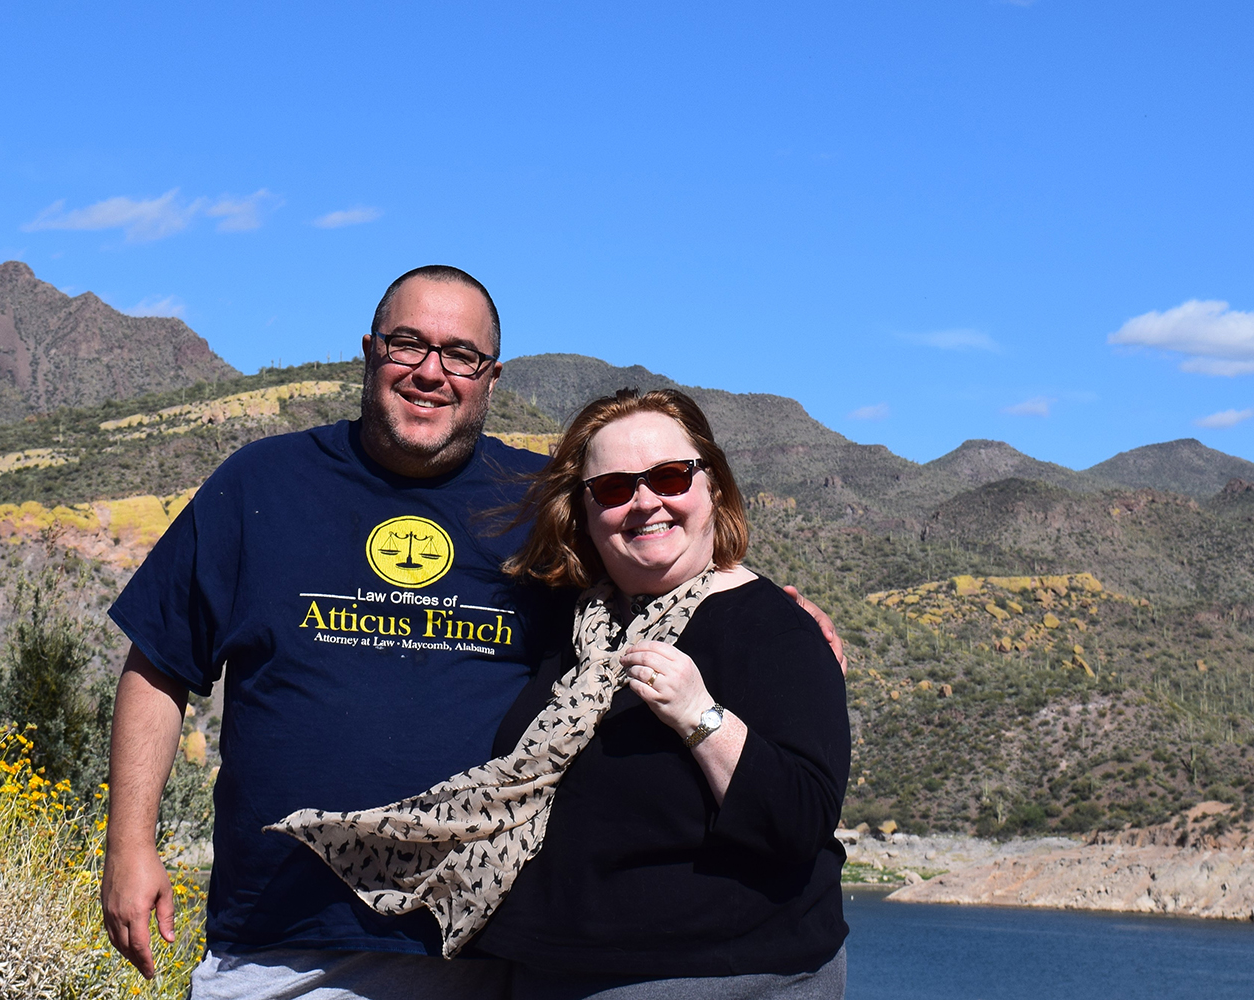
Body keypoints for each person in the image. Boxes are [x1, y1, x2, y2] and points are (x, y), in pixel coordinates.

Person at [99, 267, 846, 999]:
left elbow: (661, 550)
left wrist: (774, 611)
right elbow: (160, 662)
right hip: (283, 930)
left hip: (479, 944)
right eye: (407, 344)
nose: (431, 371)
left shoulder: (542, 506)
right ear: (369, 351)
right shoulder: (259, 484)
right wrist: (129, 846)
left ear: (492, 377)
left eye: (461, 355)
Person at [271, 388, 849, 998]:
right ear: (585, 511)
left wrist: (701, 717)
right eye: (613, 488)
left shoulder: (773, 629)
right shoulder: (580, 627)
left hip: (717, 973)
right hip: (552, 969)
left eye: (671, 477)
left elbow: (801, 818)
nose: (645, 502)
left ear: (714, 489)